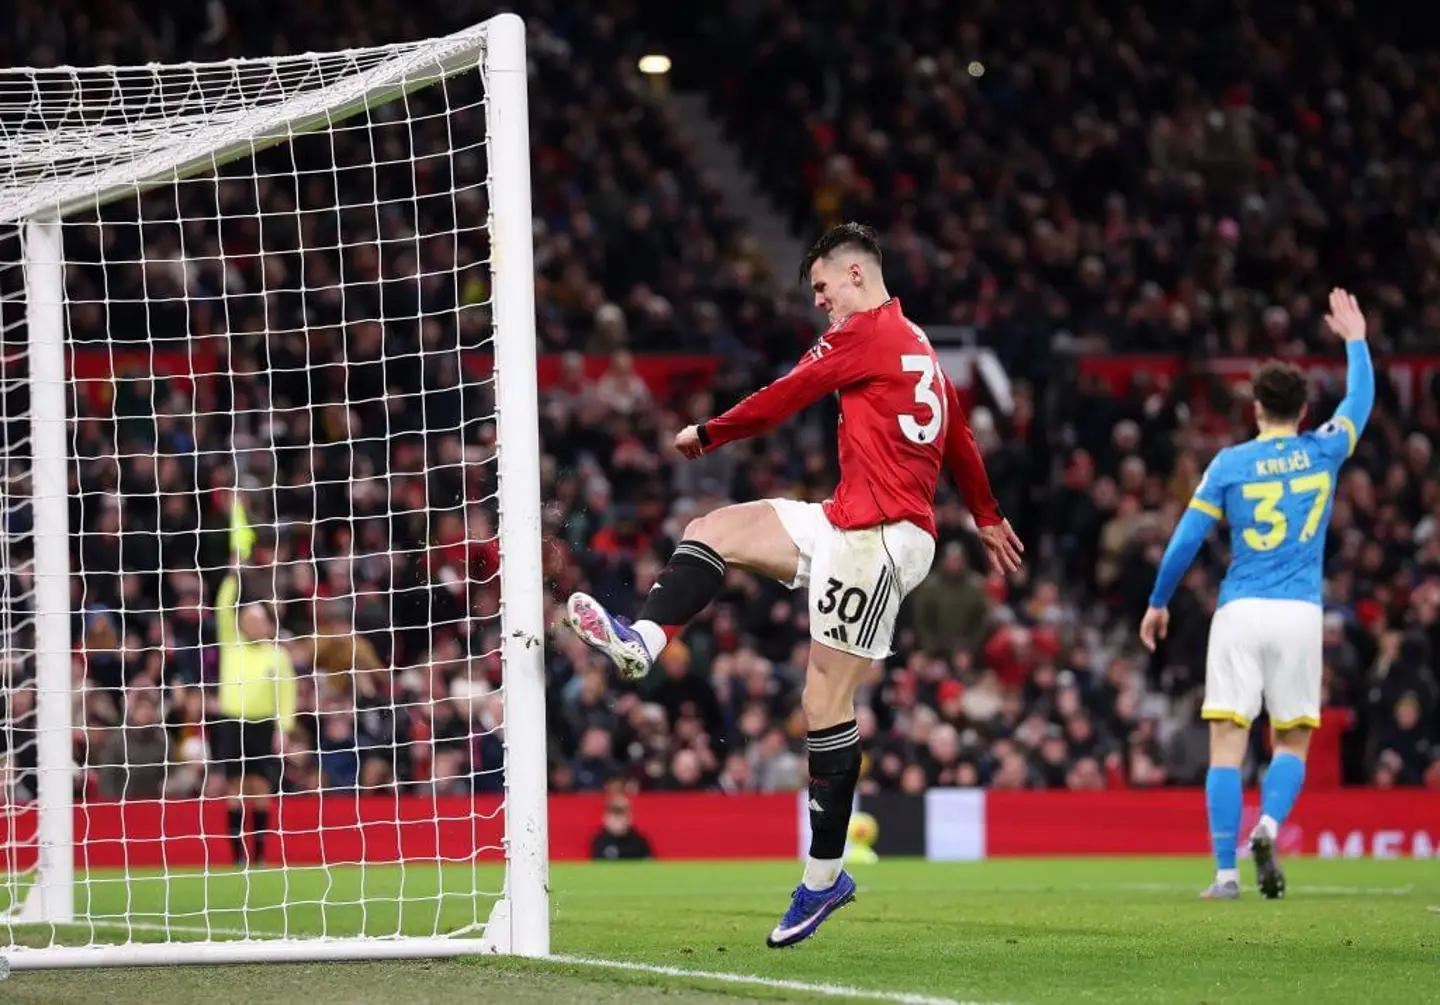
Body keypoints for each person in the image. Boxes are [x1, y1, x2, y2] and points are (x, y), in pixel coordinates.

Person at [565, 223, 1022, 947]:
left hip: (881, 537)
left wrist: (709, 433)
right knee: (714, 529)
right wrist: (987, 513)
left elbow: (787, 394)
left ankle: (824, 877)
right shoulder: (918, 344)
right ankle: (642, 641)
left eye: (821, 286)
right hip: (846, 520)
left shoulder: (864, 334)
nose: (818, 301)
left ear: (854, 273)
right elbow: (959, 435)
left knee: (824, 703)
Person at [1140, 288, 1373, 900]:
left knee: (1227, 741)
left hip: (1240, 610)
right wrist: (1356, 341)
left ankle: (1225, 874)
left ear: (1257, 408)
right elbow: (1360, 402)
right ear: (1303, 410)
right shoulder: (1323, 449)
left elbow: (1185, 541)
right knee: (1291, 737)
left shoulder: (1230, 463)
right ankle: (1267, 827)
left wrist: (1158, 602)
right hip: (1299, 612)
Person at [210, 497, 299, 866]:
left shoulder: (277, 656)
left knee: (260, 786)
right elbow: (223, 608)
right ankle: (237, 856)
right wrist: (233, 576)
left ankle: (260, 854)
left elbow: (288, 695)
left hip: (263, 724)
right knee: (234, 786)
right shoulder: (232, 645)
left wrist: (284, 729)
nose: (253, 623)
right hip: (233, 721)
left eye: (259, 619)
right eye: (248, 618)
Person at [589, 795, 654, 861]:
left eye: (621, 814)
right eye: (614, 814)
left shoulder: (639, 841)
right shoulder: (599, 841)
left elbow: (649, 864)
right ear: (605, 818)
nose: (617, 819)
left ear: (630, 817)